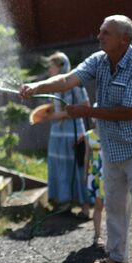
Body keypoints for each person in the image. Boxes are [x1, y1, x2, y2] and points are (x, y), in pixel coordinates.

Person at [20, 15, 132, 263]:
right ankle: (117, 257)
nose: (99, 37)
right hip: (111, 149)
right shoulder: (99, 60)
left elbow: (130, 112)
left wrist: (88, 111)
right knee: (114, 207)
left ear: (124, 38)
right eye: (100, 31)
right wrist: (37, 87)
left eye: (105, 33)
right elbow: (67, 80)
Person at [43, 52, 92, 218]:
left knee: (77, 166)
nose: (50, 69)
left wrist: (59, 115)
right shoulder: (54, 86)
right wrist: (47, 112)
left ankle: (85, 206)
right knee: (60, 166)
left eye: (52, 66)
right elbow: (56, 107)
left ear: (61, 66)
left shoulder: (75, 84)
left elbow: (85, 106)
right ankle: (65, 201)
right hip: (57, 133)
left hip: (73, 132)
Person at [83, 123, 105, 247]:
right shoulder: (88, 135)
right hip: (95, 173)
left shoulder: (110, 132)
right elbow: (86, 156)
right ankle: (98, 235)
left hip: (109, 172)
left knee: (114, 207)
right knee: (98, 205)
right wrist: (85, 174)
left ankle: (115, 238)